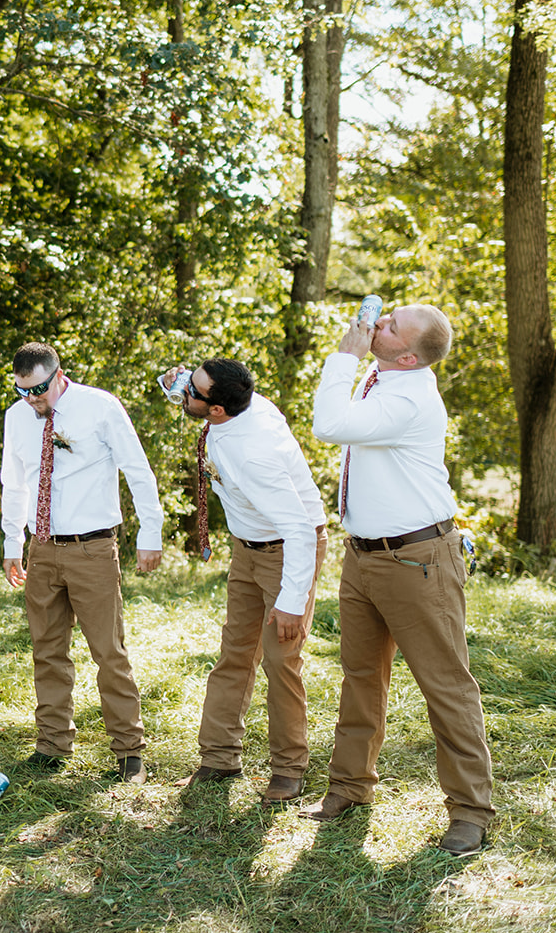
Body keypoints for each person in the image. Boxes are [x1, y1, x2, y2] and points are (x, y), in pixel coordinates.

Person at [306, 303, 493, 856]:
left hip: (417, 559)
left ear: (408, 355)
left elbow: (327, 425)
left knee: (445, 685)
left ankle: (471, 811)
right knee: (360, 674)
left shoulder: (409, 396)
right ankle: (349, 786)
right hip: (362, 555)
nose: (376, 325)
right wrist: (359, 360)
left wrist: (344, 356)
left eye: (388, 327)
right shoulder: (383, 373)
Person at [166, 359, 327, 804]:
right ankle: (219, 757)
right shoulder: (230, 409)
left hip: (288, 551)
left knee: (280, 660)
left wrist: (292, 600)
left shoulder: (253, 453)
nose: (184, 391)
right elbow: (192, 397)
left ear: (216, 409)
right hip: (247, 548)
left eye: (191, 390)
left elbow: (298, 529)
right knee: (234, 653)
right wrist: (178, 385)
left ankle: (288, 769)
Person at [0, 342, 163, 783]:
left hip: (92, 548)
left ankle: (130, 751)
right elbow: (13, 482)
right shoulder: (18, 417)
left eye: (38, 390)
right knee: (47, 651)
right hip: (42, 548)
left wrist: (152, 532)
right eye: (22, 391)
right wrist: (12, 542)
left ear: (59, 374)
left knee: (108, 652)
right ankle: (52, 746)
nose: (32, 399)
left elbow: (137, 469)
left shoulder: (99, 407)